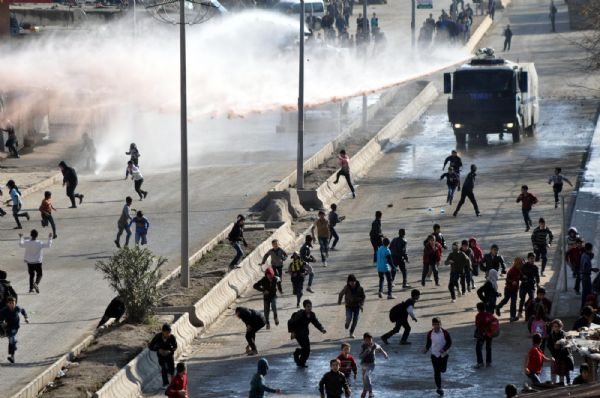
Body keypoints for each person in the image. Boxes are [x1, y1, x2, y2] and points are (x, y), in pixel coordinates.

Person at [287, 299, 326, 368]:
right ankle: (297, 354)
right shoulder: (300, 314)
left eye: (310, 306)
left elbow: (316, 323)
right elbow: (290, 322)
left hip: (305, 333)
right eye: (308, 306)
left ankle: (301, 362)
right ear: (304, 307)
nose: (309, 308)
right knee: (305, 348)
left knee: (307, 350)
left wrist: (321, 329)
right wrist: (292, 332)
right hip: (297, 333)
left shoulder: (311, 314)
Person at [424, 317, 452, 396]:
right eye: (435, 324)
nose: (436, 326)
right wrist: (426, 349)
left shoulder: (445, 332)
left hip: (444, 355)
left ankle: (439, 384)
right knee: (436, 372)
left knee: (443, 370)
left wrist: (444, 349)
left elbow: (449, 342)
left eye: (438, 324)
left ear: (440, 324)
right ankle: (439, 388)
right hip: (434, 355)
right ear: (432, 325)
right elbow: (429, 342)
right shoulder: (430, 333)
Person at [19, 229, 52, 294]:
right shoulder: (39, 242)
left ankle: (31, 289)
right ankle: (36, 283)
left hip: (29, 262)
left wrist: (21, 237)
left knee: (31, 275)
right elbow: (48, 245)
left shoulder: (27, 242)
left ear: (31, 235)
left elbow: (21, 244)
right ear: (37, 236)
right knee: (39, 274)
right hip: (37, 262)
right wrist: (50, 237)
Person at [0, 296, 29, 363]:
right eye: (10, 303)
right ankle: (13, 343)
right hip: (7, 327)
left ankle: (12, 356)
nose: (12, 305)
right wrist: (2, 322)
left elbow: (23, 310)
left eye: (13, 303)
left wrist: (26, 318)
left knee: (11, 339)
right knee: (11, 339)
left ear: (15, 303)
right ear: (7, 304)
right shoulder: (4, 310)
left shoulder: (17, 308)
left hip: (15, 327)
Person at [359, 332, 388, 398]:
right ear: (364, 340)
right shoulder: (363, 346)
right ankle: (365, 390)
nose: (368, 342)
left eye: (369, 340)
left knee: (367, 376)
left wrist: (385, 354)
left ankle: (370, 392)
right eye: (366, 340)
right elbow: (360, 356)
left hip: (371, 364)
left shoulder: (374, 345)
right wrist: (366, 352)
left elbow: (380, 348)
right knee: (364, 379)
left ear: (372, 339)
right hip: (363, 364)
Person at [149, 323, 178, 387]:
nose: (168, 334)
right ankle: (165, 383)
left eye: (169, 332)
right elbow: (150, 346)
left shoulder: (172, 337)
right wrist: (158, 349)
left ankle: (172, 381)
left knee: (171, 368)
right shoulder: (158, 337)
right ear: (163, 332)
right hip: (161, 355)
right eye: (167, 332)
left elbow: (175, 347)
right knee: (164, 367)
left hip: (169, 355)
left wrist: (170, 351)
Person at [338, 274, 365, 338]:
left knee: (355, 320)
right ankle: (347, 323)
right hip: (348, 306)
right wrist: (339, 301)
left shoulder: (360, 288)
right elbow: (341, 294)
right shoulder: (346, 287)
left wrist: (361, 305)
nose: (352, 283)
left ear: (355, 281)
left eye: (353, 282)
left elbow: (363, 297)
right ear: (348, 282)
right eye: (350, 282)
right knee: (349, 317)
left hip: (357, 306)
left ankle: (351, 332)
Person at [496, 257, 523, 322]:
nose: (521, 265)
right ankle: (498, 307)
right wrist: (512, 281)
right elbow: (507, 279)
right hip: (508, 289)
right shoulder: (512, 270)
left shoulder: (519, 270)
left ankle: (512, 317)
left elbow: (521, 277)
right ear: (516, 264)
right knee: (505, 300)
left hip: (515, 289)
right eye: (520, 264)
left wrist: (524, 278)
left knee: (513, 303)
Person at [547, 319, 573, 385]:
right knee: (553, 371)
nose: (556, 328)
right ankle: (553, 384)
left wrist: (560, 345)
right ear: (552, 327)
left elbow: (567, 343)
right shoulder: (551, 335)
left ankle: (562, 383)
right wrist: (553, 348)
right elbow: (549, 345)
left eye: (557, 326)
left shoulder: (563, 334)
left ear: (560, 327)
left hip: (562, 356)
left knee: (562, 372)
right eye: (554, 326)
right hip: (554, 356)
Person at [474, 302, 498, 368]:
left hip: (482, 334)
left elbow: (477, 325)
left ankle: (480, 362)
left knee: (478, 348)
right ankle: (488, 362)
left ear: (478, 309)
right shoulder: (489, 314)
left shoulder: (478, 315)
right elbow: (495, 320)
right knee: (488, 348)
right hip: (489, 333)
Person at [518, 253, 540, 318]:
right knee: (522, 299)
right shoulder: (523, 266)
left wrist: (538, 283)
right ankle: (519, 312)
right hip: (524, 285)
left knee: (532, 298)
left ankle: (527, 305)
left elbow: (537, 276)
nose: (532, 260)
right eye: (531, 258)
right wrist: (523, 278)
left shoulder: (535, 267)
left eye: (533, 258)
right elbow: (519, 276)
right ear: (528, 259)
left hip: (531, 285)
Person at [579, 243, 597, 310]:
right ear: (590, 249)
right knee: (587, 293)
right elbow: (585, 266)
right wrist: (592, 269)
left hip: (584, 276)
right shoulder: (586, 257)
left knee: (586, 292)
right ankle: (584, 308)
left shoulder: (584, 255)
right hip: (586, 276)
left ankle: (585, 308)